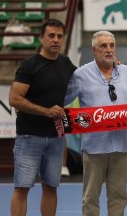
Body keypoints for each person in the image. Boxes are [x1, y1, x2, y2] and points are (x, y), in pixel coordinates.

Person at [65, 31, 127, 216]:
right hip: (94, 146)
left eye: (111, 45)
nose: (108, 50)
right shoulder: (80, 75)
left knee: (119, 196)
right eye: (103, 46)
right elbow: (62, 99)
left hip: (121, 145)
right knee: (90, 197)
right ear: (93, 50)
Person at [9, 19, 77, 216]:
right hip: (29, 137)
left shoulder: (66, 64)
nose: (55, 40)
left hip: (55, 138)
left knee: (51, 187)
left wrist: (114, 63)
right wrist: (45, 111)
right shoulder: (29, 65)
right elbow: (14, 98)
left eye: (59, 36)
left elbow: (89, 76)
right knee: (22, 187)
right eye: (51, 36)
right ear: (41, 38)